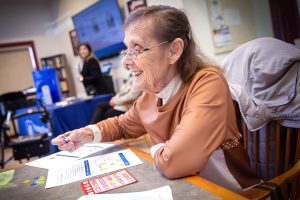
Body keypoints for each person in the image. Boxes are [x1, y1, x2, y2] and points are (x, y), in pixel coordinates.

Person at [52, 5, 260, 192]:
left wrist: (157, 148)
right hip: (184, 189)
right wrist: (87, 133)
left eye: (137, 49)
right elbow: (122, 125)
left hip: (230, 192)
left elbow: (175, 162)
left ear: (174, 50)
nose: (126, 61)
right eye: (126, 49)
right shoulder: (150, 95)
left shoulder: (207, 83)